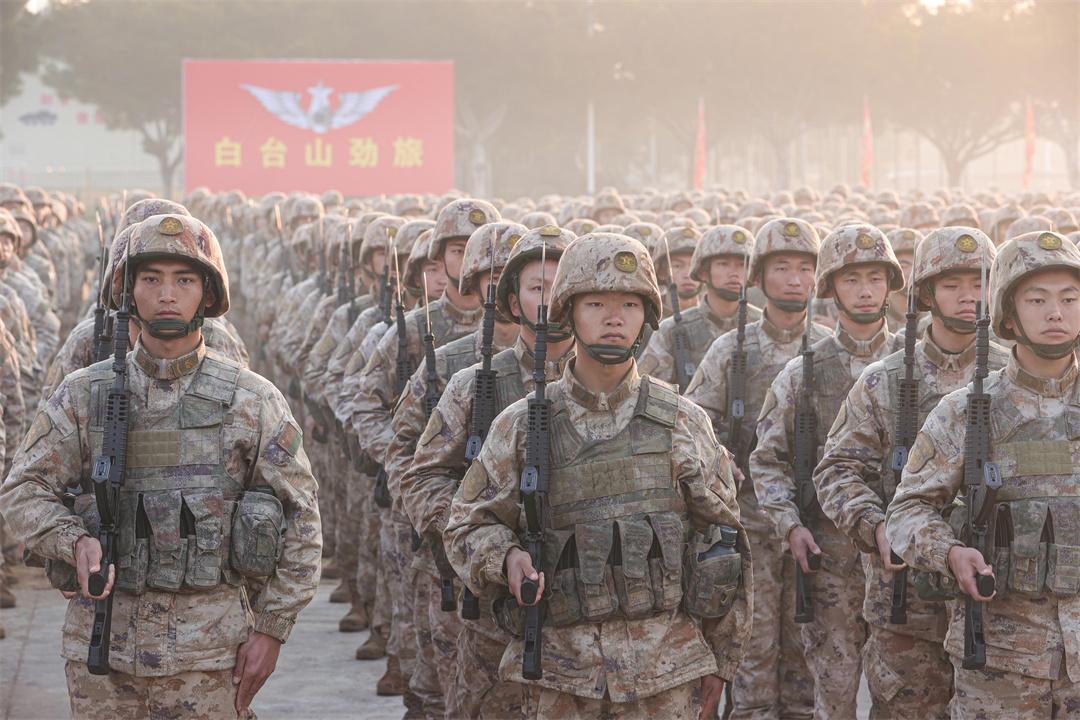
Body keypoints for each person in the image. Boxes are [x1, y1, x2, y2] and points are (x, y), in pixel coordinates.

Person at [0, 212, 321, 718]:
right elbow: (21, 490)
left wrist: (272, 630)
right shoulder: (83, 395)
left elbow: (302, 518)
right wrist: (73, 541)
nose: (167, 295)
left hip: (211, 656)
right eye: (151, 279)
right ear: (128, 292)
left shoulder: (251, 400)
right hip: (103, 655)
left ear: (208, 294)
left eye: (184, 280)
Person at [446, 232, 751, 719]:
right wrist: (506, 558)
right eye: (596, 304)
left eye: (629, 304)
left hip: (667, 675)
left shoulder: (683, 422)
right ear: (567, 312)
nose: (614, 318)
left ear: (646, 316)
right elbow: (466, 525)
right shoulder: (523, 425)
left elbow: (726, 545)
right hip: (558, 675)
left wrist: (722, 661)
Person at [886, 230, 1080, 719]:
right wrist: (950, 552)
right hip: (1000, 667)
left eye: (1069, 298)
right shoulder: (967, 412)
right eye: (1037, 300)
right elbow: (907, 511)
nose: (1055, 313)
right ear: (1008, 315)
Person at [751, 224, 904, 719]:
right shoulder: (802, 373)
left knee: (905, 698)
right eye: (852, 278)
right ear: (832, 288)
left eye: (875, 278)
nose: (865, 290)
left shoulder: (914, 366)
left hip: (902, 561)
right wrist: (789, 525)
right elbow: (768, 460)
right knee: (834, 697)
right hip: (829, 560)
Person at [686, 217, 828, 720]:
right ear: (760, 277)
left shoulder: (828, 350)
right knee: (752, 650)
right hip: (748, 525)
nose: (794, 279)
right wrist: (720, 454)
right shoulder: (731, 350)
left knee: (810, 656)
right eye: (782, 267)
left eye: (805, 268)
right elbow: (693, 424)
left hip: (817, 524)